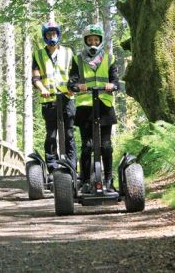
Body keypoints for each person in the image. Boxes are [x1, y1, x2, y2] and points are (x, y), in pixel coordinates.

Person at [68, 23, 119, 192]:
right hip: (85, 107)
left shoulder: (109, 58)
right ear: (85, 41)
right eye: (89, 40)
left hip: (104, 105)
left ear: (100, 41)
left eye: (96, 40)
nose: (92, 43)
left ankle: (109, 180)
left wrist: (113, 85)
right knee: (87, 145)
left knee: (106, 145)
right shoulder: (77, 59)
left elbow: (115, 80)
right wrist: (76, 86)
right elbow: (72, 81)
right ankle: (85, 181)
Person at [31, 20, 77, 174]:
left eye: (54, 33)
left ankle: (71, 166)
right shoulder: (38, 55)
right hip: (49, 100)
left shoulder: (68, 52)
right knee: (51, 135)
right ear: (45, 36)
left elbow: (75, 74)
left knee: (69, 134)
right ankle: (53, 167)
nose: (52, 36)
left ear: (58, 35)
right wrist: (42, 88)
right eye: (49, 34)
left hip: (66, 98)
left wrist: (73, 86)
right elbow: (35, 78)